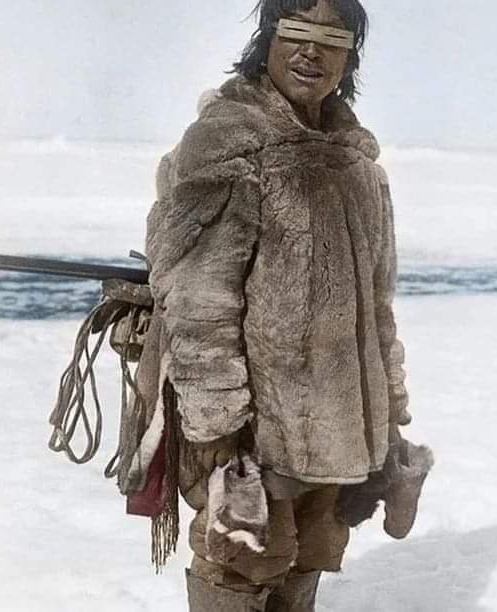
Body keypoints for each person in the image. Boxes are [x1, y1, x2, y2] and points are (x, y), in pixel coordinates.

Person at [138, 0, 417, 609]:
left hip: (340, 419)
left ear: (350, 57)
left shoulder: (357, 164)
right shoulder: (229, 141)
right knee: (241, 561)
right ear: (267, 40)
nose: (312, 51)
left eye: (331, 38)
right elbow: (197, 297)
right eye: (295, 32)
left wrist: (389, 402)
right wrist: (216, 423)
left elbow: (378, 303)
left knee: (312, 550)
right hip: (254, 423)